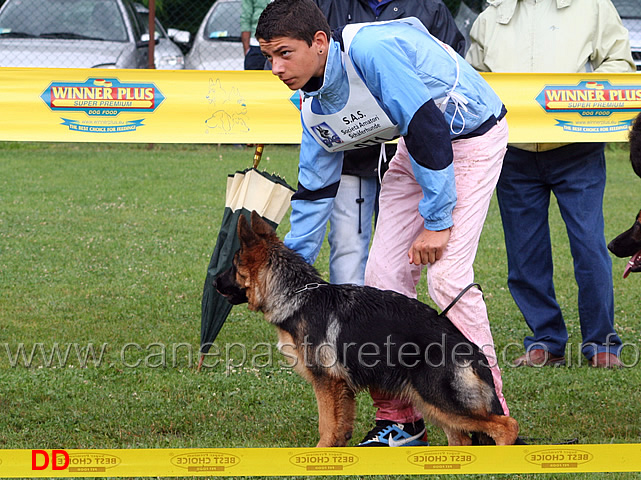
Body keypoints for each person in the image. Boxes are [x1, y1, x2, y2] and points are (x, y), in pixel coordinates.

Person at [256, 0, 512, 446]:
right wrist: (287, 270)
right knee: (381, 276)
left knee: (447, 278)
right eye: (267, 57)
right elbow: (315, 191)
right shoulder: (311, 104)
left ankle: (486, 414)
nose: (275, 67)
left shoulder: (370, 49)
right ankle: (402, 421)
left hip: (469, 138)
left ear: (319, 42)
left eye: (283, 53)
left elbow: (429, 127)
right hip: (418, 148)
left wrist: (436, 221)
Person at [465, 0, 634, 369]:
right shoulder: (489, 16)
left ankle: (603, 343)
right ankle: (545, 340)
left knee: (590, 247)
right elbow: (474, 80)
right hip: (513, 152)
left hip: (578, 148)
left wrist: (584, 99)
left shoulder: (593, 6)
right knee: (524, 255)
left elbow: (619, 63)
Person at [313, 0, 466, 285]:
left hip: (411, 159)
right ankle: (353, 328)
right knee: (348, 249)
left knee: (401, 258)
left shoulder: (430, 8)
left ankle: (396, 324)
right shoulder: (326, 4)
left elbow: (450, 70)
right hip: (350, 158)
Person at [241, 0, 271, 69]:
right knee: (254, 78)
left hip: (283, 43)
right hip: (257, 45)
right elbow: (245, 18)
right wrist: (247, 50)